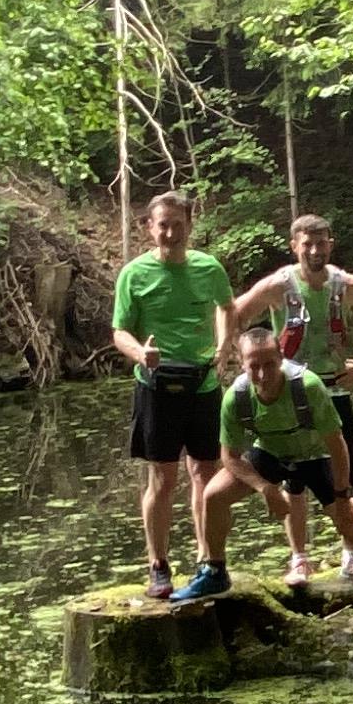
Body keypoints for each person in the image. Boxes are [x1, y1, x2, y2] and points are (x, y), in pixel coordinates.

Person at [178, 325, 353, 625]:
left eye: (269, 364)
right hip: (271, 453)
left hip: (315, 454)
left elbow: (337, 444)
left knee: (349, 520)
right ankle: (215, 570)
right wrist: (266, 488)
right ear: (241, 363)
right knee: (213, 495)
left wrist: (342, 493)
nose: (262, 374)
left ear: (281, 358)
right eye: (254, 366)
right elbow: (229, 457)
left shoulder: (307, 386)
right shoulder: (236, 397)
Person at [230, 212, 353, 579]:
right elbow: (235, 313)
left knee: (347, 475)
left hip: (333, 387)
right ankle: (299, 558)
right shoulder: (278, 286)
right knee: (294, 478)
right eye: (307, 244)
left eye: (321, 243)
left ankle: (352, 555)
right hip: (288, 391)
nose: (315, 251)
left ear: (331, 244)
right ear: (294, 246)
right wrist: (246, 359)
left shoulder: (347, 285)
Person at [110, 188, 237, 602]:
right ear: (150, 227)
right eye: (162, 225)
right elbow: (120, 331)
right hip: (156, 385)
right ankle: (158, 565)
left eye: (177, 225)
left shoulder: (209, 268)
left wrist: (223, 345)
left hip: (203, 383)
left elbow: (227, 306)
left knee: (205, 473)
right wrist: (139, 353)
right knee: (162, 477)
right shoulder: (134, 274)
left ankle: (208, 559)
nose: (170, 233)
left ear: (189, 226)